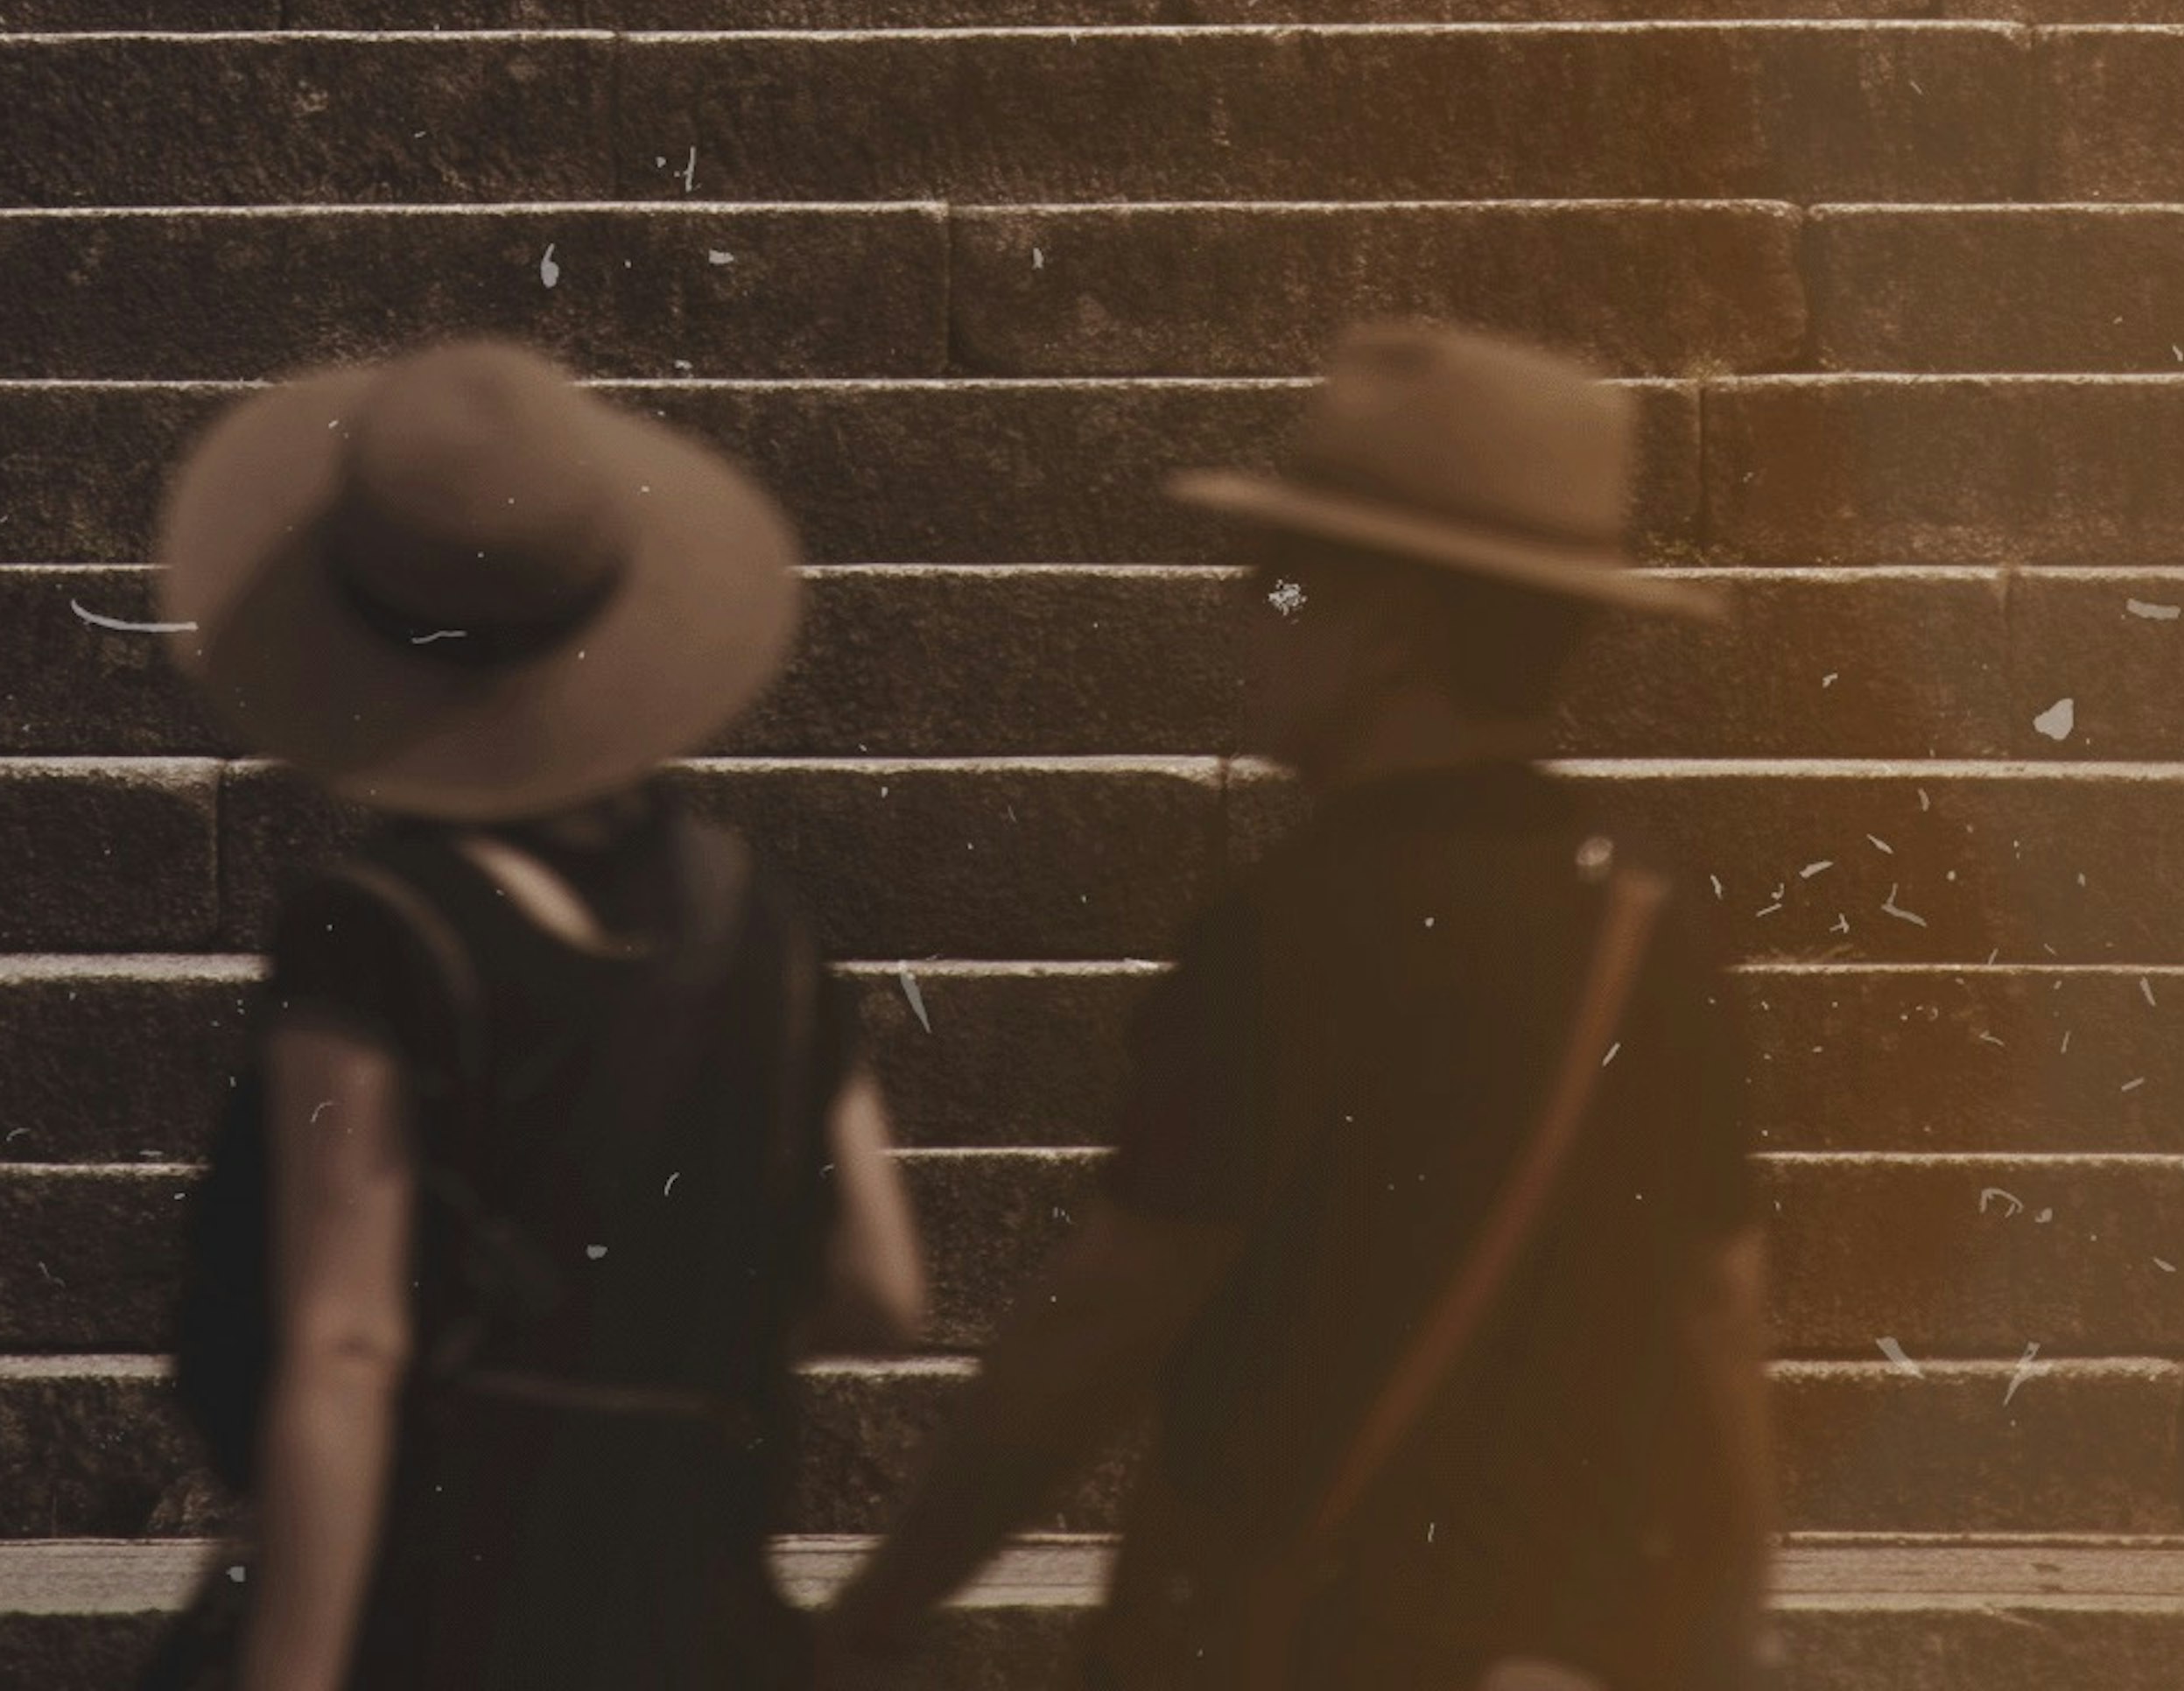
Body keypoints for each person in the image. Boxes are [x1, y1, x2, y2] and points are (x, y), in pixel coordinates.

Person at [817, 322, 1776, 1691]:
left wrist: (891, 1594)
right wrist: (1736, 1632)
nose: (1240, 618)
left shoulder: (1286, 932)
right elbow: (1718, 1319)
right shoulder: (1651, 921)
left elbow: (1108, 1315)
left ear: (1389, 633)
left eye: (1281, 589)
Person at [160, 337, 928, 1691]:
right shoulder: (758, 918)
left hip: (456, 1606)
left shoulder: (373, 932)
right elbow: (880, 1283)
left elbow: (348, 1344)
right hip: (703, 1610)